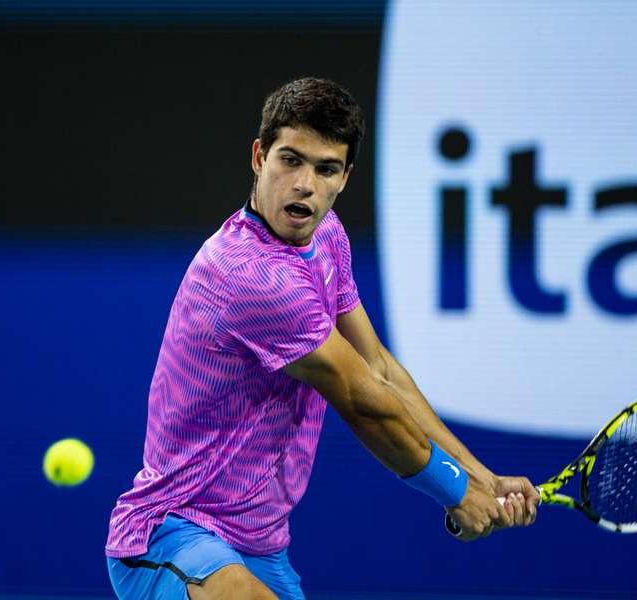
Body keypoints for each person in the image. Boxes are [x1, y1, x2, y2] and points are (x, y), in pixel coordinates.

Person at [105, 77, 539, 600]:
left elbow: (377, 368)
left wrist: (480, 478)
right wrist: (455, 491)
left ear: (344, 178)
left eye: (325, 168)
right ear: (259, 157)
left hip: (261, 547)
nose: (304, 185)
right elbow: (364, 401)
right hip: (171, 534)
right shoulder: (250, 275)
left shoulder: (327, 236)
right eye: (290, 160)